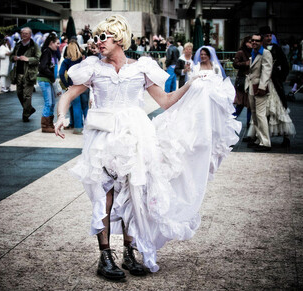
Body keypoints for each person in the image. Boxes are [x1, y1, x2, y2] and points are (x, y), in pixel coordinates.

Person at [52, 15, 240, 280]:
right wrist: (61, 116)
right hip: (103, 137)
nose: (97, 42)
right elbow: (69, 94)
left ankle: (130, 251)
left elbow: (165, 101)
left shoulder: (141, 67)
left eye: (102, 37)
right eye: (96, 38)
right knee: (104, 193)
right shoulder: (93, 67)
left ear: (118, 38)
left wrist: (191, 84)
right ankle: (105, 256)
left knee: (135, 192)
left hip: (136, 135)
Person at [244, 33, 272, 152]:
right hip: (251, 87)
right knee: (255, 115)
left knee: (260, 115)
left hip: (259, 88)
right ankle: (259, 139)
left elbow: (267, 70)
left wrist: (262, 86)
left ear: (261, 42)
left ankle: (265, 142)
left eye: (257, 41)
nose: (254, 42)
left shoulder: (265, 53)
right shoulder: (253, 53)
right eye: (253, 40)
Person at [10, 27, 41, 122]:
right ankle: (29, 109)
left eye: (26, 33)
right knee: (19, 93)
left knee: (27, 95)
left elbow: (38, 58)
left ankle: (25, 114)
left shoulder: (34, 45)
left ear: (30, 35)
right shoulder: (18, 45)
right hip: (18, 73)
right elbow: (11, 56)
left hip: (29, 74)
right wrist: (14, 58)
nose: (23, 35)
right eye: (22, 33)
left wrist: (27, 59)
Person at [59, 41, 89, 135]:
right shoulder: (83, 59)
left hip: (73, 86)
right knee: (85, 107)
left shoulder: (67, 61)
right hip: (84, 85)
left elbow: (61, 74)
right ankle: (88, 127)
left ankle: (78, 128)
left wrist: (67, 85)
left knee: (76, 106)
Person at [37, 34, 60, 132]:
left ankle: (49, 124)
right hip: (45, 80)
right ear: (51, 43)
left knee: (52, 103)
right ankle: (45, 126)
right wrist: (51, 75)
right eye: (57, 43)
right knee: (49, 103)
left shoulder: (51, 52)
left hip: (48, 80)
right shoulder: (47, 52)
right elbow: (42, 67)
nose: (58, 45)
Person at [232, 36, 252, 126]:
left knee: (250, 104)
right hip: (242, 80)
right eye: (249, 42)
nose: (251, 44)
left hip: (250, 81)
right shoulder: (241, 52)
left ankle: (249, 123)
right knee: (240, 103)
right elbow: (235, 64)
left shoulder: (254, 52)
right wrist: (245, 63)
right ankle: (231, 120)